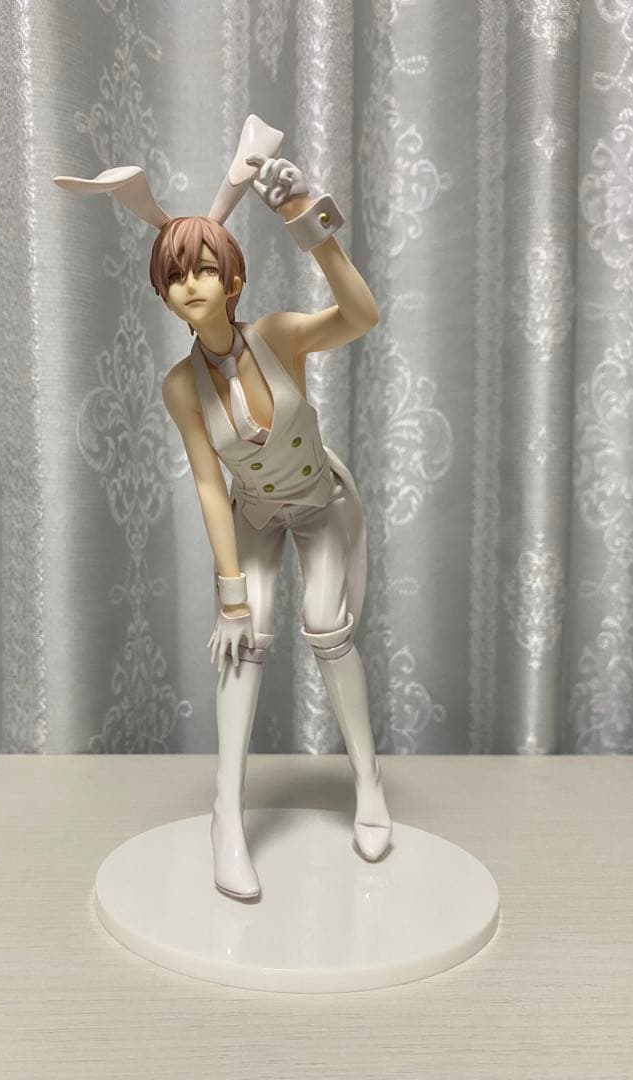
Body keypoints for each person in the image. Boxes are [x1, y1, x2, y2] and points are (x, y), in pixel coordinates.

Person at [158, 155, 392, 900]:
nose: (191, 284)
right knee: (244, 637)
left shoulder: (280, 334)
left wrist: (308, 224)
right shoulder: (180, 385)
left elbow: (362, 316)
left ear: (232, 278)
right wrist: (230, 592)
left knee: (326, 626)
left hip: (319, 502)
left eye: (203, 269)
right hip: (254, 512)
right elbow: (208, 482)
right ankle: (225, 814)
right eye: (175, 275)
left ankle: (368, 781)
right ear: (163, 292)